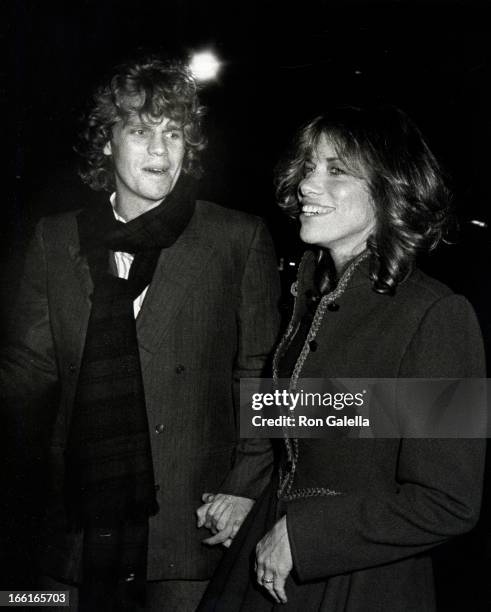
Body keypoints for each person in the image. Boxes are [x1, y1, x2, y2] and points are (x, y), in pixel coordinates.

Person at [0, 56, 280, 611]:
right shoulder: (56, 240)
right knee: (26, 606)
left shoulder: (234, 238)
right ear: (107, 142)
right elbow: (27, 372)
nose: (160, 150)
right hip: (75, 521)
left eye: (174, 133)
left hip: (193, 523)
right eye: (140, 131)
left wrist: (244, 486)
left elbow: (262, 373)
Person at [197, 106, 487, 611]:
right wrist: (247, 493)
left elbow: (449, 502)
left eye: (336, 170)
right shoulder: (311, 300)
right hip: (270, 567)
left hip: (357, 586)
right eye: (309, 167)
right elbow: (308, 426)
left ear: (388, 191)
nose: (308, 184)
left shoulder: (436, 315)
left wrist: (305, 537)